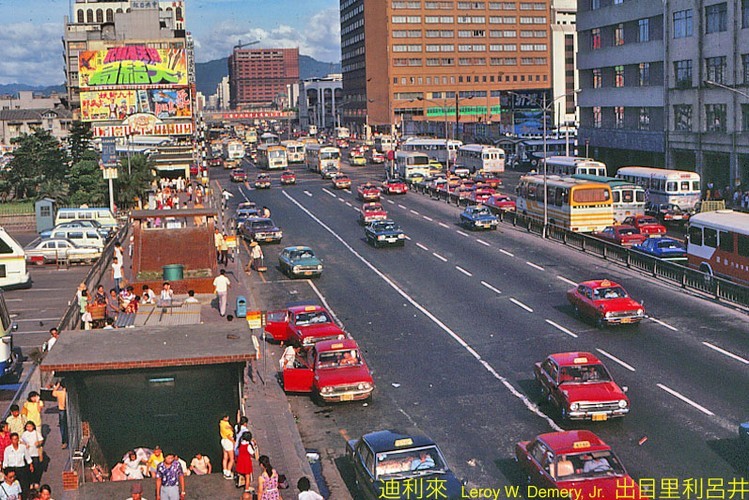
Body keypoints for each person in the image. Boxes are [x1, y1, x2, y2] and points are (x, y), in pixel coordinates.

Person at [21, 422, 43, 491]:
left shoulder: (36, 433)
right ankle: (30, 482)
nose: (29, 428)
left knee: (36, 468)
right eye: (27, 426)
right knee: (28, 469)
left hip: (35, 453)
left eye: (30, 426)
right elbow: (21, 441)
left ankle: (36, 481)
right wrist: (25, 444)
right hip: (28, 454)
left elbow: (41, 440)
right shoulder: (24, 434)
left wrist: (38, 443)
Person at [51, 381, 68, 449]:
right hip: (66, 409)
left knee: (63, 426)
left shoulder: (59, 393)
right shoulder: (67, 393)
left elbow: (53, 393)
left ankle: (64, 441)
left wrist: (57, 386)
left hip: (61, 410)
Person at [219, 415, 235, 479]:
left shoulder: (221, 423)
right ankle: (228, 473)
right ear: (224, 417)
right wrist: (234, 442)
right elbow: (229, 435)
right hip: (228, 441)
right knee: (231, 459)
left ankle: (225, 470)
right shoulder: (225, 425)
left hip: (223, 440)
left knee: (225, 457)